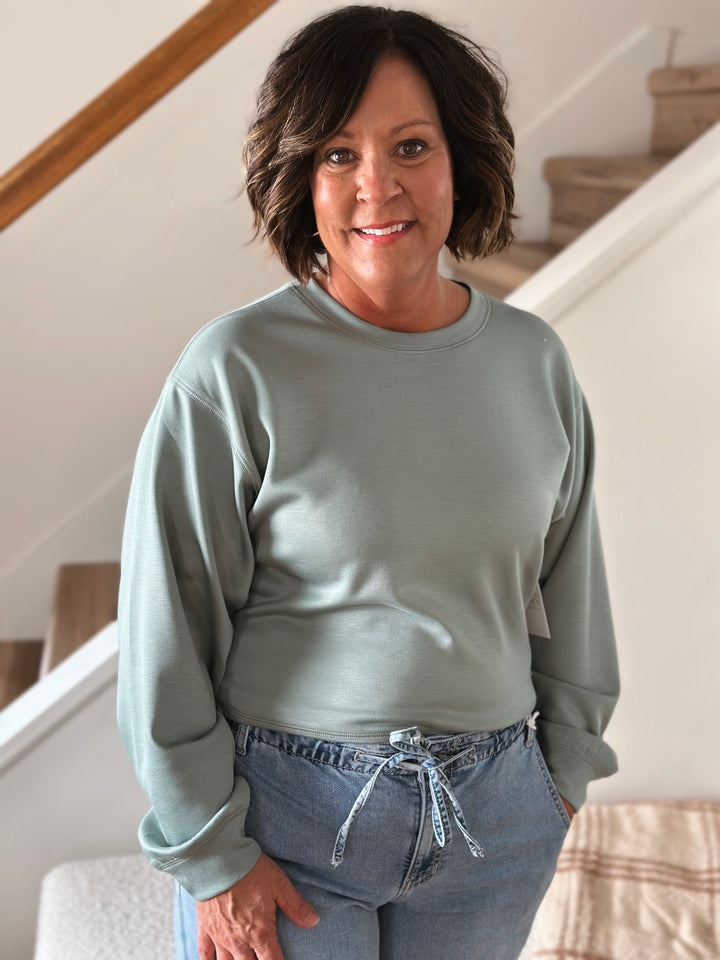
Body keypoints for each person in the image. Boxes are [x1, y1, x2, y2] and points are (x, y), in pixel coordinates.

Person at [117, 7, 620, 960]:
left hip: (497, 812)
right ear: (298, 177)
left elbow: (571, 584)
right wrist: (211, 854)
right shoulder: (236, 368)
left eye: (411, 145)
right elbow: (168, 625)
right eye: (337, 154)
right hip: (287, 816)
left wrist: (561, 773)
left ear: (460, 162)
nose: (375, 186)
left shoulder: (531, 361)